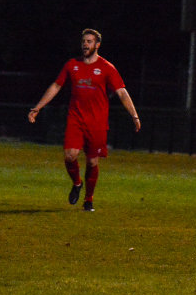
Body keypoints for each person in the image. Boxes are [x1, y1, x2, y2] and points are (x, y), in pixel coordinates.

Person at [28, 28, 141, 212]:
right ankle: (77, 183)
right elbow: (56, 86)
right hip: (76, 119)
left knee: (92, 162)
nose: (85, 44)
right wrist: (37, 107)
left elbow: (121, 92)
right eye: (84, 41)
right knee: (69, 155)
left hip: (97, 122)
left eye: (89, 41)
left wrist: (134, 115)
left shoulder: (106, 67)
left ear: (97, 45)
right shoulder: (72, 65)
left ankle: (89, 199)